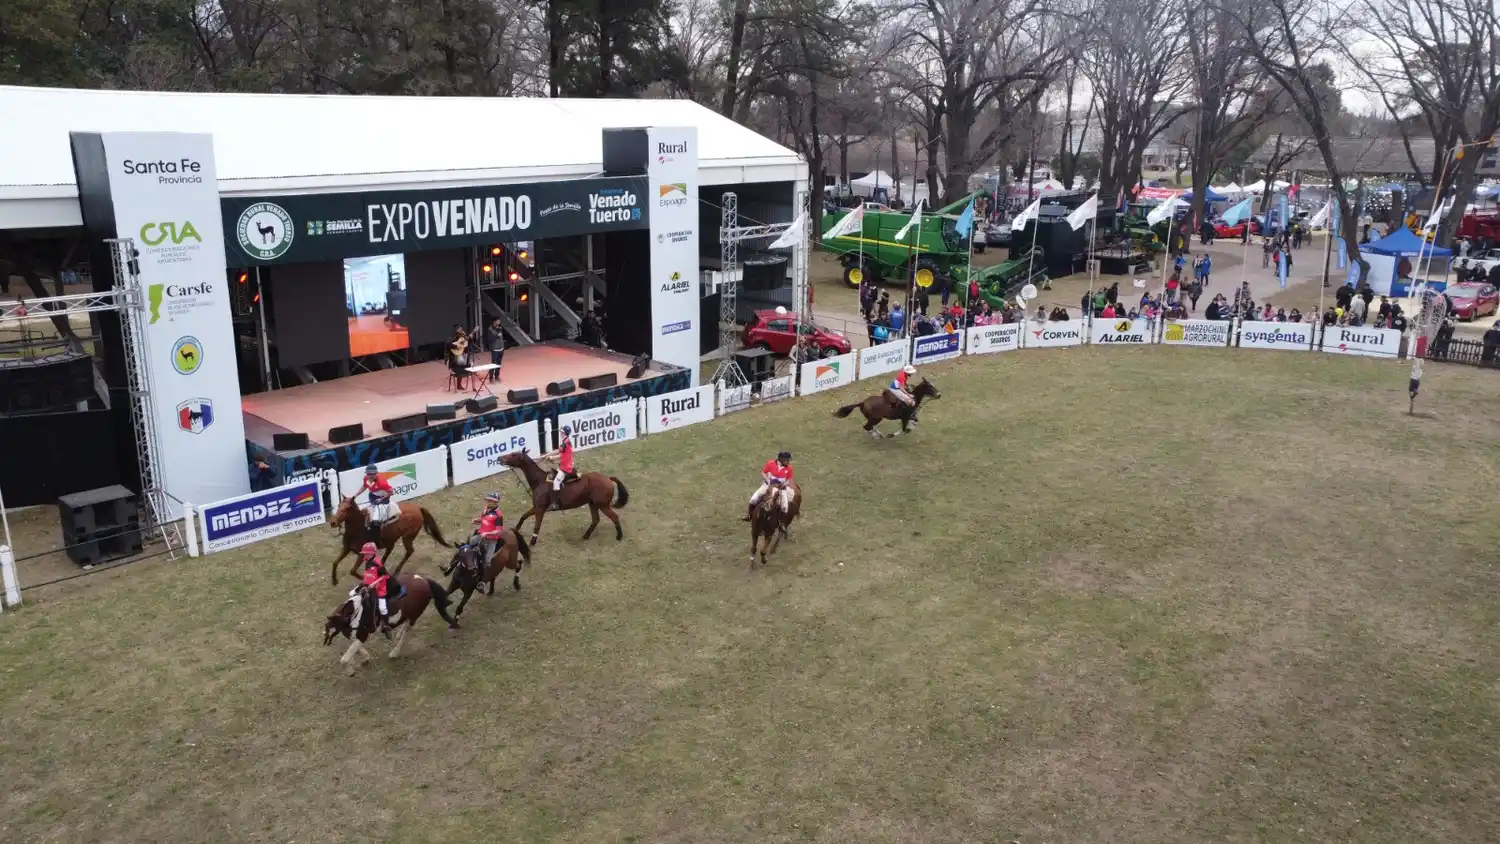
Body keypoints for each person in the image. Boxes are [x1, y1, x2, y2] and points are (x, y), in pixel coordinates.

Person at [744, 451, 794, 521]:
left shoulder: (789, 468)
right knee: (753, 499)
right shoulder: (770, 463)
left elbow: (788, 479)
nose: (789, 462)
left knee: (785, 507)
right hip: (768, 485)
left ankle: (782, 523)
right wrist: (767, 480)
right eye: (787, 460)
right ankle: (749, 515)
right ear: (781, 459)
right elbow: (763, 472)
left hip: (780, 488)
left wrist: (785, 484)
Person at [358, 542, 395, 636]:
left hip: (379, 589)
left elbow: (385, 576)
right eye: (364, 553)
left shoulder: (378, 563)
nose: (365, 554)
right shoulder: (367, 561)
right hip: (367, 585)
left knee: (382, 608)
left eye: (367, 553)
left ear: (372, 553)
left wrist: (374, 583)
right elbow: (368, 573)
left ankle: (386, 626)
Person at [357, 464, 395, 543]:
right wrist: (356, 495)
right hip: (372, 497)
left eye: (372, 474)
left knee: (376, 520)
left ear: (376, 474)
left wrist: (381, 499)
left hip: (382, 499)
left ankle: (378, 536)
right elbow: (364, 486)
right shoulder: (366, 479)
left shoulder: (382, 483)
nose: (370, 476)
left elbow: (392, 492)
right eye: (368, 474)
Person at [542, 424, 576, 511]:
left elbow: (560, 455)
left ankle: (555, 504)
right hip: (564, 465)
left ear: (564, 433)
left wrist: (551, 458)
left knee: (556, 482)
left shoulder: (565, 443)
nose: (560, 433)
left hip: (566, 468)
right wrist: (547, 454)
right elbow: (558, 450)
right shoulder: (565, 442)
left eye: (561, 432)